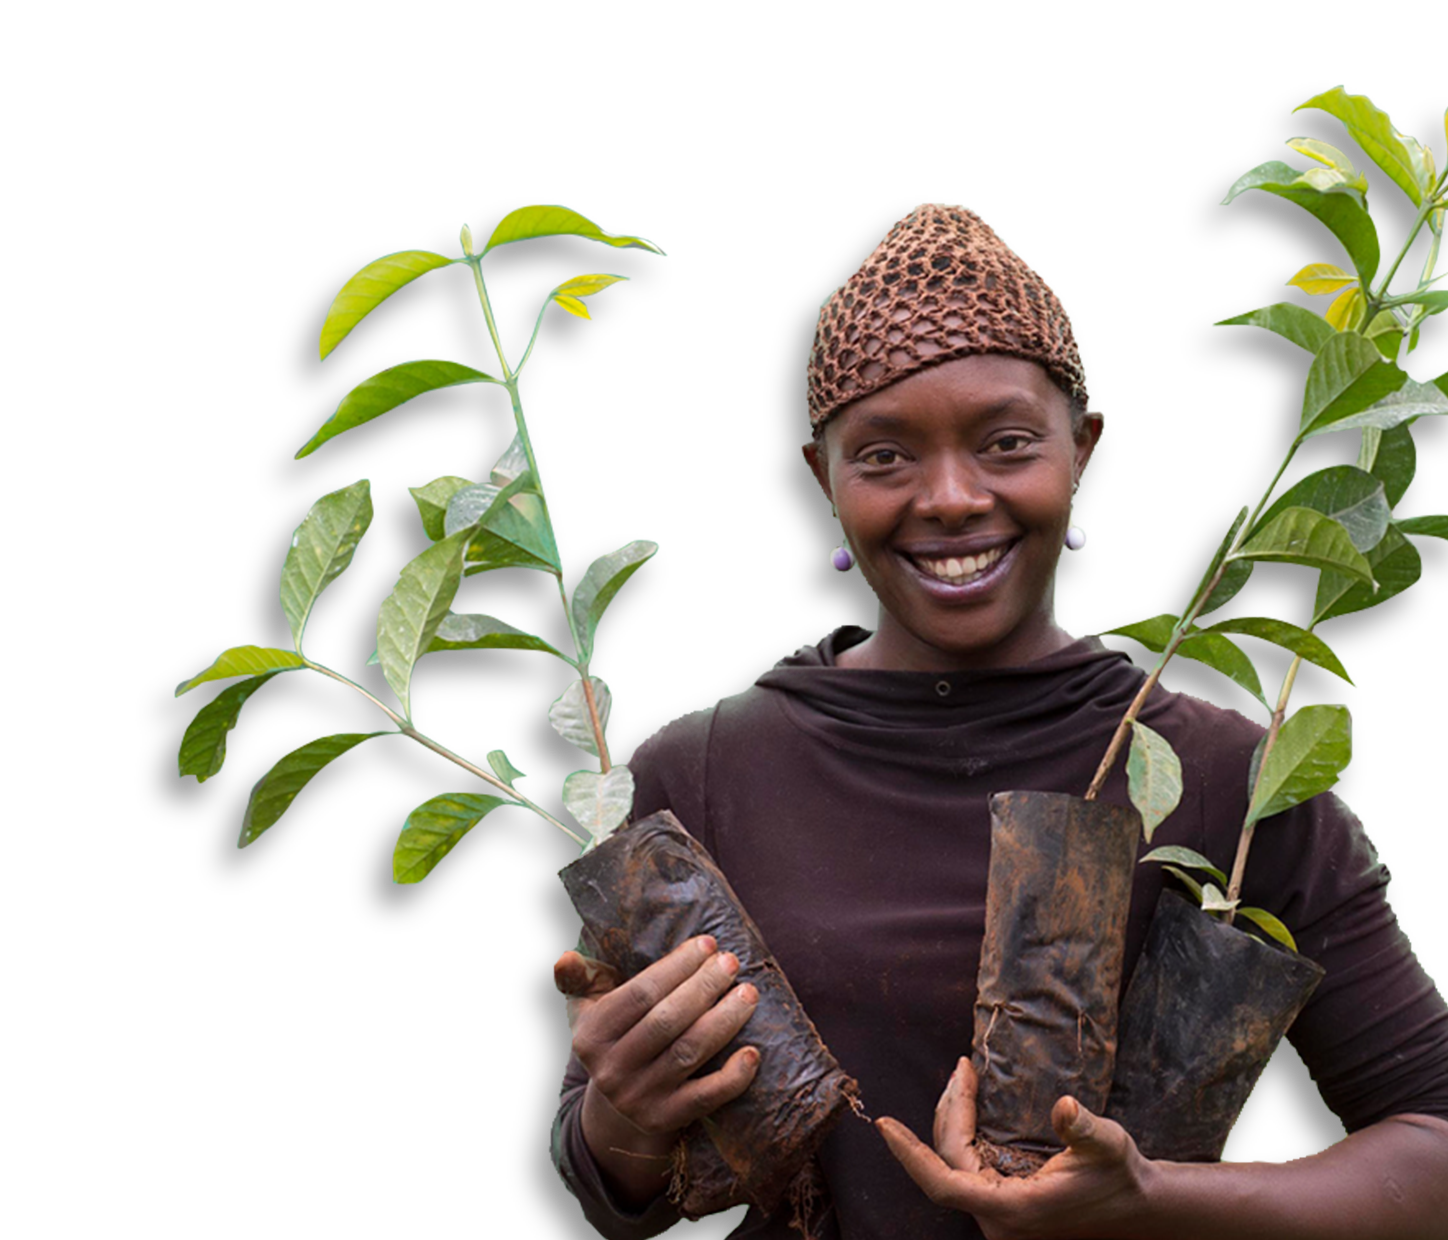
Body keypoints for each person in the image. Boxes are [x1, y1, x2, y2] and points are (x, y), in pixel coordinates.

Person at [548, 202, 1448, 1239]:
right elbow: (609, 1185)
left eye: (1005, 442)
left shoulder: (1236, 778)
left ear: (1083, 449)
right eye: (882, 455)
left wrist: (1158, 1203)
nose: (948, 497)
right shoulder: (697, 771)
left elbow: (1431, 1139)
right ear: (821, 477)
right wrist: (622, 1115)